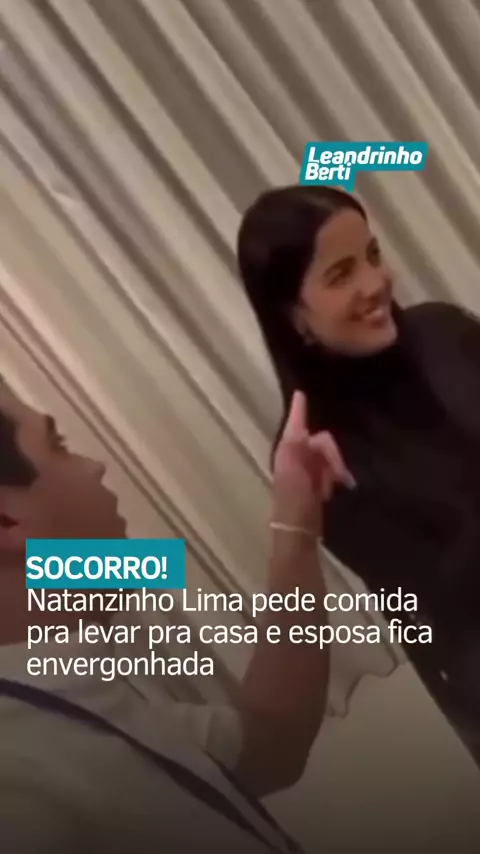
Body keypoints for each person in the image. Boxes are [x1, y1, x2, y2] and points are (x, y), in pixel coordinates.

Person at [0, 377, 352, 852]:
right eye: (59, 446)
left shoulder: (65, 684)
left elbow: (270, 745)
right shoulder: (20, 793)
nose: (96, 466)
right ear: (8, 521)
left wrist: (296, 525)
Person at [236, 183, 480, 769]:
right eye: (341, 274)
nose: (375, 283)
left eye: (372, 254)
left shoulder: (445, 331)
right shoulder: (315, 455)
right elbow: (441, 602)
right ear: (294, 317)